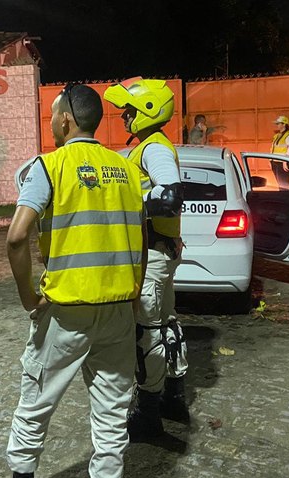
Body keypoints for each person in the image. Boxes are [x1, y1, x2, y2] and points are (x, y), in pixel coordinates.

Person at [3, 83, 146, 478]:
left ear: (65, 119)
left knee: (36, 404)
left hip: (66, 313)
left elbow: (16, 236)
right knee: (112, 409)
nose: (50, 121)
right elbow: (138, 237)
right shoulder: (125, 169)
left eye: (52, 114)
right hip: (118, 309)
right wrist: (134, 293)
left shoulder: (49, 167)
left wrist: (30, 297)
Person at [104, 77, 190, 438]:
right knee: (167, 321)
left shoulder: (153, 148)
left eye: (129, 110)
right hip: (162, 252)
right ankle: (174, 395)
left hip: (152, 255)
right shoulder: (152, 145)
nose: (124, 116)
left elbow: (170, 194)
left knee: (149, 331)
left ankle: (150, 413)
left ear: (146, 112)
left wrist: (131, 205)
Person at [270, 115, 289, 190]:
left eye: (278, 123)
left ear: (284, 124)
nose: (277, 125)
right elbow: (272, 148)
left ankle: (285, 197)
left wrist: (285, 161)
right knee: (280, 183)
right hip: (275, 162)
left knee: (284, 184)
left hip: (282, 163)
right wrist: (270, 160)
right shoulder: (276, 136)